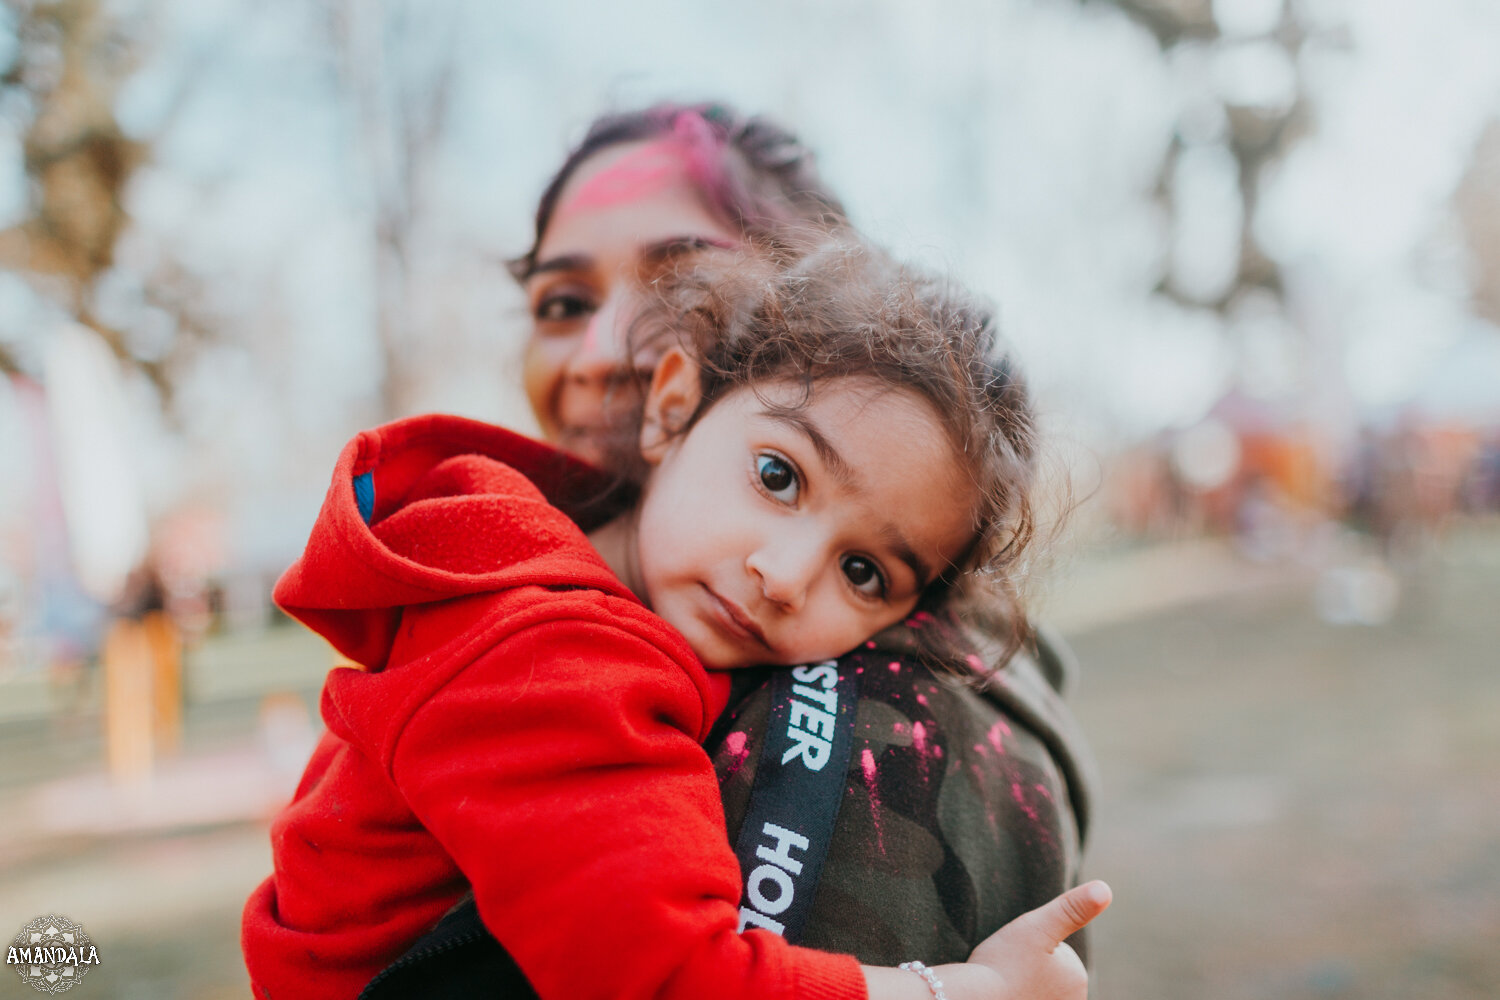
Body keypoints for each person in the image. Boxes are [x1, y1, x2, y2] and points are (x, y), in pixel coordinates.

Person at [241, 236, 1108, 1000]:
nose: (783, 576)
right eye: (779, 476)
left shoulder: (557, 582)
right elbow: (666, 979)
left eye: (863, 572)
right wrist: (956, 992)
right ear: (671, 408)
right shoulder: (546, 650)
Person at [512, 102, 1097, 964]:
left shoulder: (870, 730)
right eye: (563, 301)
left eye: (678, 280)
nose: (599, 350)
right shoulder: (503, 594)